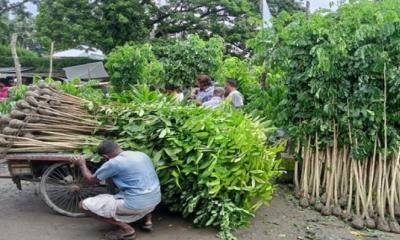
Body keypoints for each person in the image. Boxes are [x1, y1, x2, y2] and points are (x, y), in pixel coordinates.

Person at [72, 140, 161, 240]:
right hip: (155, 200)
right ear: (119, 147)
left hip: (136, 205)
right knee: (143, 188)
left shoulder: (113, 163)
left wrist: (82, 164)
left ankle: (126, 229)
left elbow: (90, 180)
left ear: (105, 157)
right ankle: (147, 221)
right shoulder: (141, 154)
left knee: (83, 205)